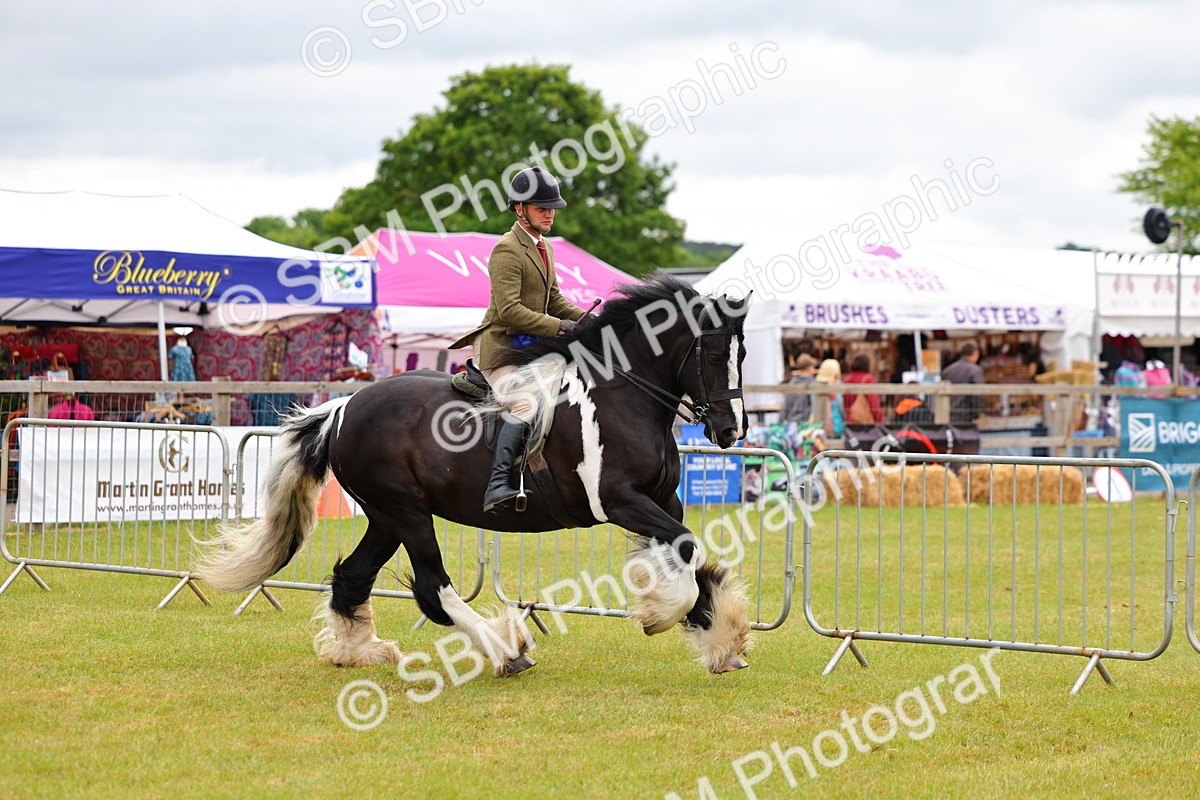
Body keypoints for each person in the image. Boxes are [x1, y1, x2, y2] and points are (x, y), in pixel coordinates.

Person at [449, 166, 587, 513]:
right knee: (524, 403)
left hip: (533, 345)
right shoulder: (507, 250)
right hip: (501, 346)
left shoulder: (545, 248)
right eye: (542, 208)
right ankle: (497, 486)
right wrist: (558, 327)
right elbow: (509, 311)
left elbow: (553, 299)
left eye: (552, 207)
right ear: (519, 209)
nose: (550, 213)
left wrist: (586, 320)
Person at [941, 342, 985, 424]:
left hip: (948, 413)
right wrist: (977, 413)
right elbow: (978, 394)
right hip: (966, 414)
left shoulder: (947, 370)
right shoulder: (975, 370)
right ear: (975, 353)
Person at [843, 353, 883, 424]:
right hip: (864, 421)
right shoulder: (868, 379)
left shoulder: (847, 379)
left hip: (850, 419)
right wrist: (879, 419)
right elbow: (873, 402)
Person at [781, 354, 818, 422]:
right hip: (806, 423)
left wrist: (782, 421)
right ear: (809, 367)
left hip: (791, 420)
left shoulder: (792, 382)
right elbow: (814, 407)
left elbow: (785, 404)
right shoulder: (811, 383)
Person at [814, 358, 845, 437]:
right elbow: (841, 406)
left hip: (817, 425)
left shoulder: (815, 385)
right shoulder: (837, 385)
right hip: (835, 425)